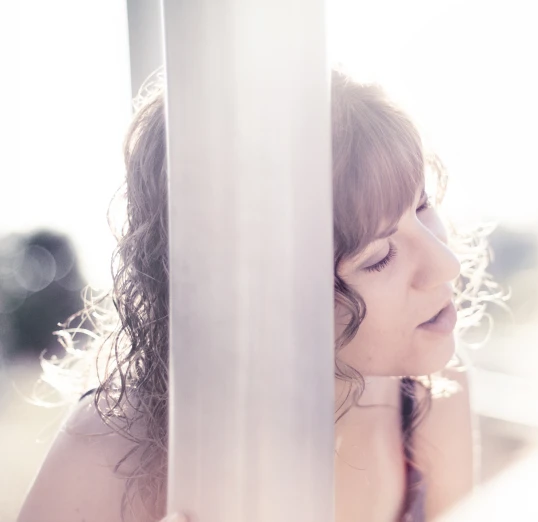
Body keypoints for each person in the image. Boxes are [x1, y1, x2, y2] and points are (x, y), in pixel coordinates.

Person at [17, 69, 495, 522]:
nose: (445, 265)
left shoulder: (432, 392)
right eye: (377, 257)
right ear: (258, 303)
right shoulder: (109, 451)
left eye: (423, 205)